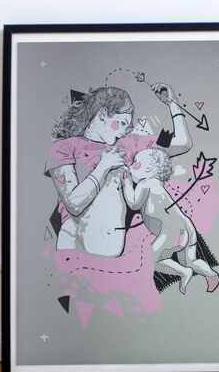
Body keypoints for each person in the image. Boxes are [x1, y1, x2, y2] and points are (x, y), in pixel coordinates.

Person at [45, 84, 193, 257]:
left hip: (112, 256)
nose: (124, 131)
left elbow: (183, 143)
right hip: (75, 248)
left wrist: (173, 103)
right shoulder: (64, 148)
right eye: (121, 123)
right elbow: (74, 204)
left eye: (127, 126)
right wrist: (104, 166)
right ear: (102, 114)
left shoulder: (131, 143)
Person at [121, 148, 219, 294]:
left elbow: (133, 203)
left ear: (149, 169)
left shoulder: (145, 184)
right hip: (187, 226)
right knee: (190, 260)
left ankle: (183, 272)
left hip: (170, 230)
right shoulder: (157, 184)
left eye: (136, 163)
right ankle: (211, 274)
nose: (131, 166)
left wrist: (127, 184)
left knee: (152, 260)